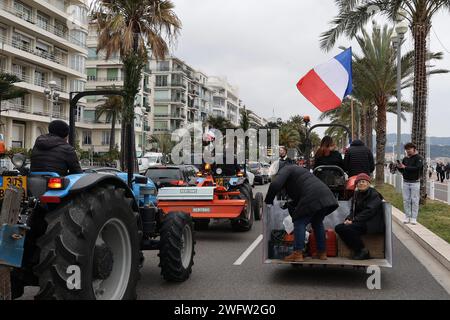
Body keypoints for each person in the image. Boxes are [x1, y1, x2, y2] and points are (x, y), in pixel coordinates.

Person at [265, 162, 339, 262]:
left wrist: (268, 201)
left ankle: (297, 253)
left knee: (299, 222)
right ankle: (322, 253)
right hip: (325, 194)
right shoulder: (298, 170)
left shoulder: (287, 169)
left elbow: (275, 184)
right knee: (317, 223)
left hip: (313, 196)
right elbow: (301, 191)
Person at [335, 173, 384, 260]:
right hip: (360, 221)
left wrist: (353, 220)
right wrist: (349, 219)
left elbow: (369, 211)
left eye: (363, 182)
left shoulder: (374, 195)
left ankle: (362, 251)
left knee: (349, 228)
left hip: (371, 223)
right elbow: (352, 210)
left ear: (368, 183)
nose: (361, 184)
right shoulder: (357, 194)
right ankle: (357, 249)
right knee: (339, 227)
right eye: (358, 182)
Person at [396, 142, 424, 225]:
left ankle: (414, 218)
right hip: (406, 181)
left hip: (415, 182)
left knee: (414, 200)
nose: (408, 151)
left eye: (409, 149)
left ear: (414, 149)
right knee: (406, 200)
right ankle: (407, 216)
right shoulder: (405, 159)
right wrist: (399, 167)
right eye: (406, 149)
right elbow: (403, 171)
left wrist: (405, 167)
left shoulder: (419, 158)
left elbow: (417, 168)